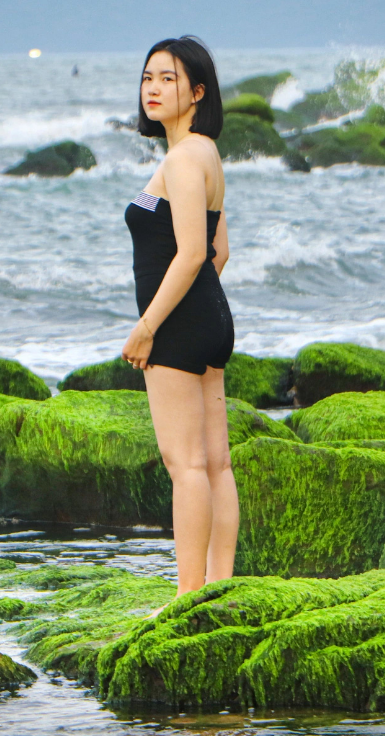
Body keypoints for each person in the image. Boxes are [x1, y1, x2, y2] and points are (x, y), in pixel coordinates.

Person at [121, 36, 237, 616]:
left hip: (181, 325)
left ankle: (188, 597)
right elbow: (221, 249)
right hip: (207, 317)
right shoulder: (204, 153)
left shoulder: (186, 157)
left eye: (168, 79)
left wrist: (149, 327)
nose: (153, 88)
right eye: (148, 78)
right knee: (215, 461)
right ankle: (218, 584)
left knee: (185, 464)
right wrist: (199, 310)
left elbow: (192, 252)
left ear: (197, 92)